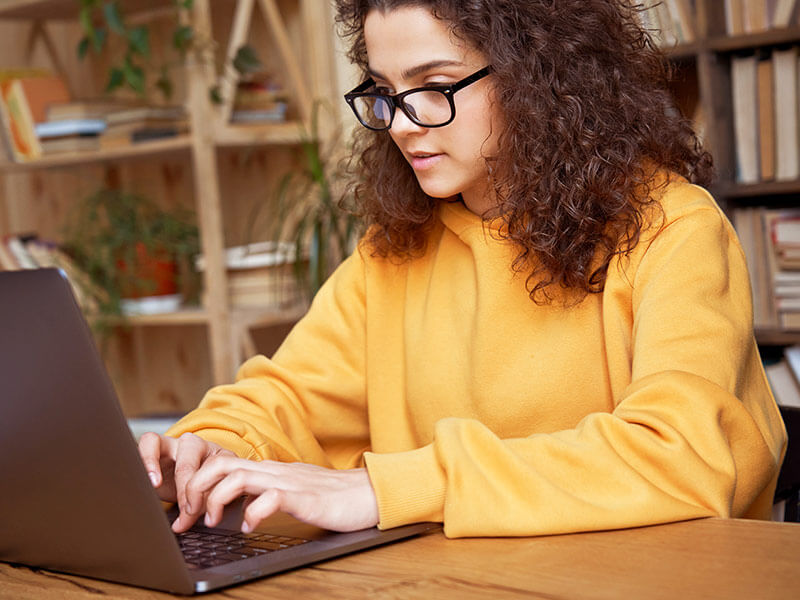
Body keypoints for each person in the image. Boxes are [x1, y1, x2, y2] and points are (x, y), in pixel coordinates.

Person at [139, 0, 787, 538]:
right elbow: (287, 399)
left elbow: (685, 457)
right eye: (387, 93)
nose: (402, 123)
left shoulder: (673, 227)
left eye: (436, 86)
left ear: (540, 75)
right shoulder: (392, 252)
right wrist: (206, 450)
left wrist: (387, 489)